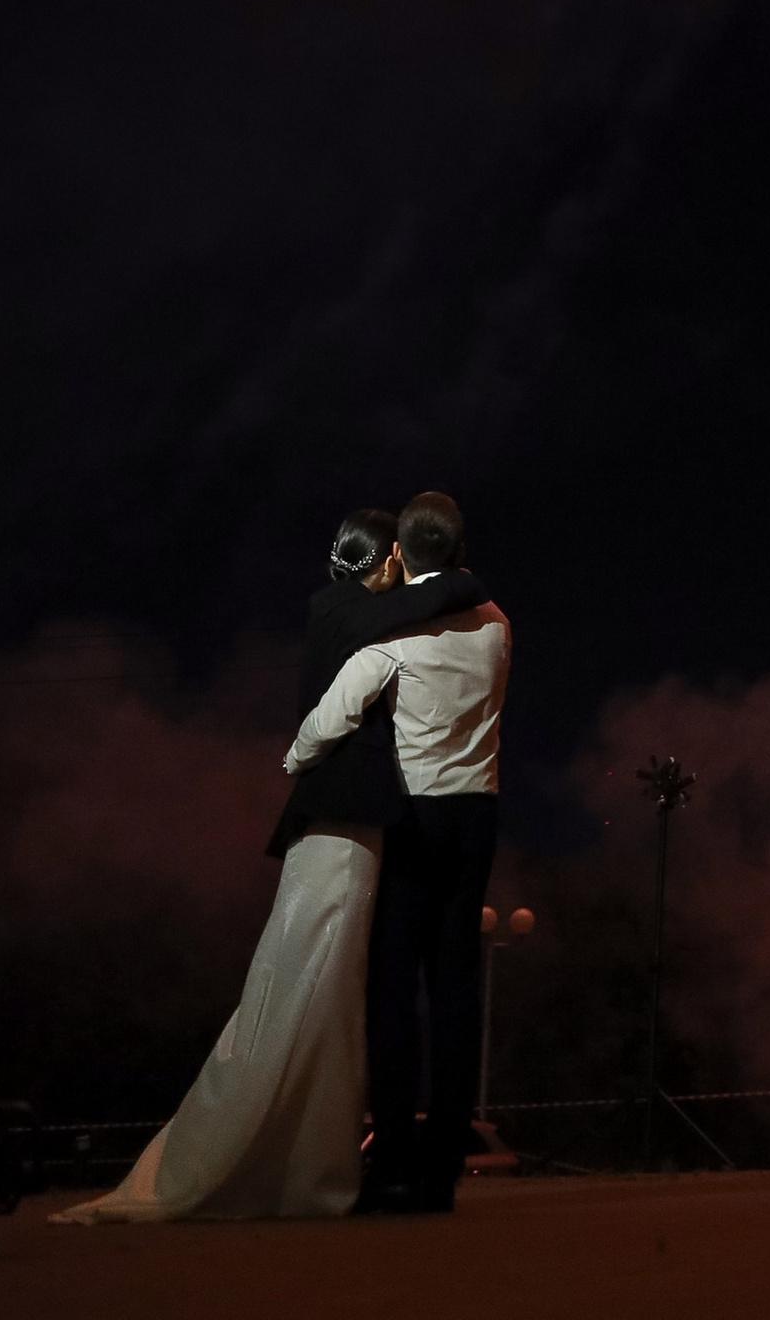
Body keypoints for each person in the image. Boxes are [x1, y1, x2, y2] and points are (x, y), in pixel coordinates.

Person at [57, 507, 485, 1226]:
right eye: (396, 564)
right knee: (315, 977)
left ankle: (303, 1149)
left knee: (315, 982)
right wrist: (461, 568)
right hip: (347, 823)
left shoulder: (340, 607)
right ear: (384, 564)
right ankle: (292, 1152)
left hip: (342, 820)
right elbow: (436, 598)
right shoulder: (354, 612)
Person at [285, 489, 509, 1217]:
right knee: (454, 989)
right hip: (478, 813)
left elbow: (330, 717)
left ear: (398, 557)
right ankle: (443, 1170)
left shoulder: (392, 641)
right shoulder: (498, 626)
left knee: (392, 991)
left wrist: (294, 761)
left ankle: (392, 1168)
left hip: (412, 817)